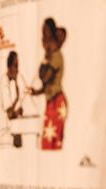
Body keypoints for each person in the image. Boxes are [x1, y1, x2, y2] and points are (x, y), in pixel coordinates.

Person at [27, 18, 68, 150]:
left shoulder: (56, 57)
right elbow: (46, 85)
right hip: (52, 102)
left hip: (57, 103)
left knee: (51, 144)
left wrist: (46, 57)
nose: (43, 39)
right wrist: (35, 92)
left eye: (46, 35)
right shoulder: (51, 56)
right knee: (48, 144)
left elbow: (45, 77)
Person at [0, 51, 27, 147]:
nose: (17, 70)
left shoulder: (16, 79)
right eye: (15, 66)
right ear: (9, 67)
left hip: (15, 127)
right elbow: (10, 113)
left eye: (18, 66)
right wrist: (18, 98)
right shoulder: (4, 81)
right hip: (6, 131)